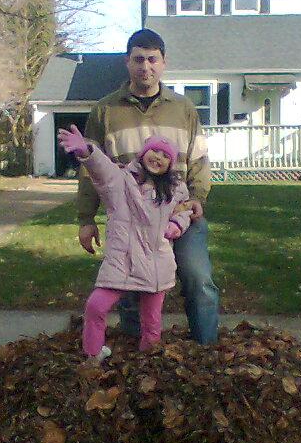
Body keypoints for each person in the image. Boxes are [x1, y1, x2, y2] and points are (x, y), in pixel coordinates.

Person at [76, 28, 219, 344]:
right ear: (127, 62)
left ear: (163, 62)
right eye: (138, 59)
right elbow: (89, 169)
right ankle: (137, 359)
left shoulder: (183, 109)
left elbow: (199, 159)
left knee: (199, 281)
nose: (146, 67)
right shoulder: (105, 111)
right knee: (130, 291)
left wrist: (197, 198)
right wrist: (86, 219)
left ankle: (206, 349)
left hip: (178, 212)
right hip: (132, 221)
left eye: (153, 59)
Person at [58, 125, 192, 362]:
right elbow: (102, 169)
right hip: (121, 259)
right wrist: (87, 150)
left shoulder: (173, 189)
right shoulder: (120, 181)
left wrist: (177, 225)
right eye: (154, 152)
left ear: (170, 164)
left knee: (151, 320)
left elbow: (184, 210)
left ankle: (148, 362)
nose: (157, 158)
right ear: (143, 153)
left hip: (154, 261)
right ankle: (93, 354)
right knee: (96, 306)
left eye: (164, 156)